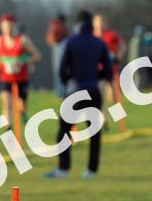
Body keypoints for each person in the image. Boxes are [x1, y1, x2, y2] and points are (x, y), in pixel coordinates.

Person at [44, 10, 112, 180]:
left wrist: (68, 82)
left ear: (77, 23)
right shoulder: (99, 42)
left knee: (64, 131)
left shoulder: (70, 42)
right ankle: (92, 171)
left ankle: (63, 169)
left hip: (74, 91)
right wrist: (98, 78)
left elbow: (61, 69)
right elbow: (109, 70)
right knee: (94, 133)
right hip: (93, 90)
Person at [0, 13, 41, 128]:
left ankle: (23, 112)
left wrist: (23, 61)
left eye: (10, 26)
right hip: (5, 78)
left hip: (21, 77)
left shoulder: (22, 40)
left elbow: (37, 55)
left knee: (21, 106)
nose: (8, 29)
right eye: (5, 26)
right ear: (1, 27)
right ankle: (8, 129)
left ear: (14, 26)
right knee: (6, 103)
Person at [93, 14, 124, 106]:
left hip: (111, 69)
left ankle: (118, 118)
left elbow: (123, 46)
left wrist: (117, 58)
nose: (101, 25)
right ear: (94, 24)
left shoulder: (112, 35)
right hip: (97, 70)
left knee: (113, 97)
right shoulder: (91, 36)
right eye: (98, 22)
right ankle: (103, 119)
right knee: (100, 95)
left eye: (102, 22)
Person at [45, 13, 68, 97]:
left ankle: (60, 91)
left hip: (56, 47)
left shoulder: (53, 25)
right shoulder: (59, 25)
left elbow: (50, 39)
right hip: (60, 47)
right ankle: (62, 92)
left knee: (57, 70)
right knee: (60, 69)